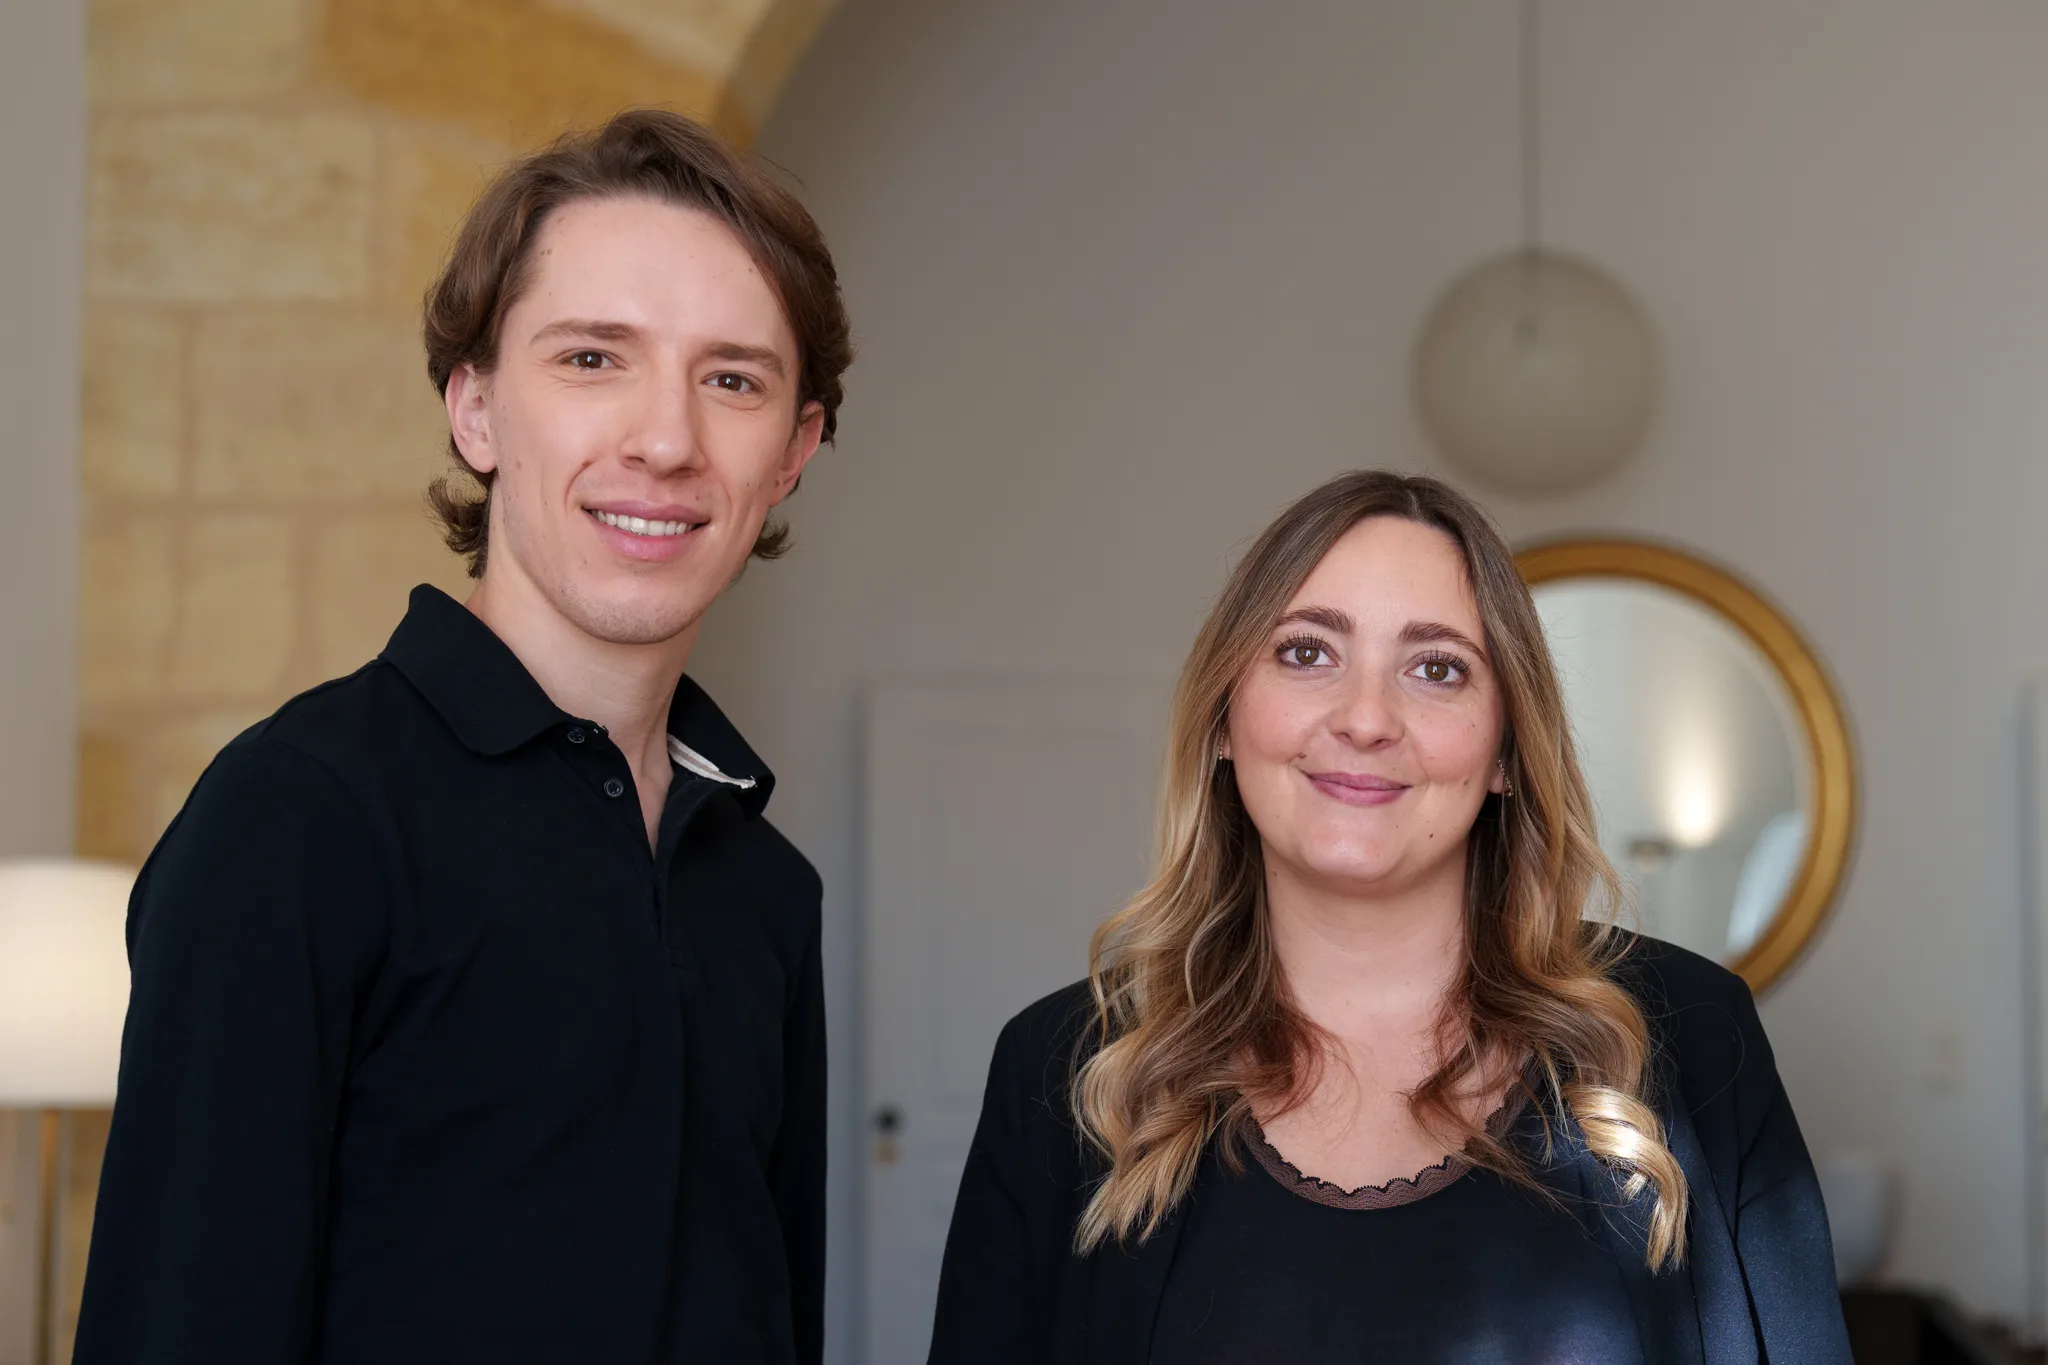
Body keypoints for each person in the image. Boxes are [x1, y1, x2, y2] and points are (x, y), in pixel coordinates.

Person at [75, 109, 852, 1365]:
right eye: (592, 359)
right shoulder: (297, 815)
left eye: (731, 379)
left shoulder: (763, 888)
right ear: (477, 412)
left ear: (794, 452)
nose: (665, 440)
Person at [928, 471, 1849, 1364]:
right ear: (1221, 718)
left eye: (1437, 668)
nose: (1366, 717)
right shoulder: (1060, 1074)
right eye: (1306, 652)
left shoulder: (1693, 1038)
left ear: (1505, 752)